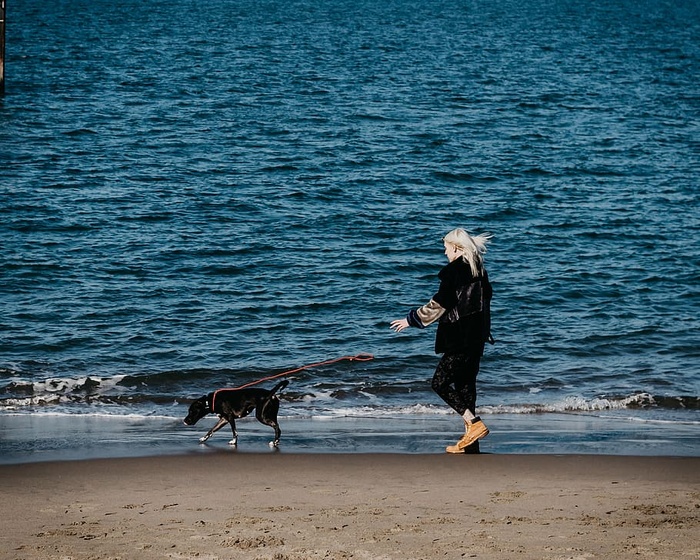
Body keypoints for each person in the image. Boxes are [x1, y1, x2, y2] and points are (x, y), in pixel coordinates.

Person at [390, 228, 494, 454]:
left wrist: (411, 320)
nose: (445, 252)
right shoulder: (479, 271)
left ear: (456, 248)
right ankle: (471, 444)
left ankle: (474, 424)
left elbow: (439, 304)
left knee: (439, 383)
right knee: (465, 386)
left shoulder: (454, 272)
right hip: (477, 339)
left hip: (459, 338)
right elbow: (485, 306)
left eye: (446, 248)